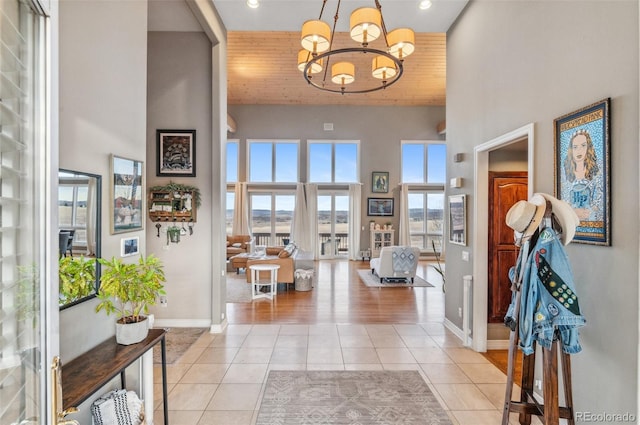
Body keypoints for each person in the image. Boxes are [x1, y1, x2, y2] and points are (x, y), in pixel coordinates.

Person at [562, 129, 603, 221]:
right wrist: (573, 211)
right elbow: (563, 202)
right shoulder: (566, 174)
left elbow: (601, 200)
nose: (579, 150)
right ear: (571, 150)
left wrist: (589, 211)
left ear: (588, 148)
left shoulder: (597, 171)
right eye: (575, 147)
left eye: (583, 146)